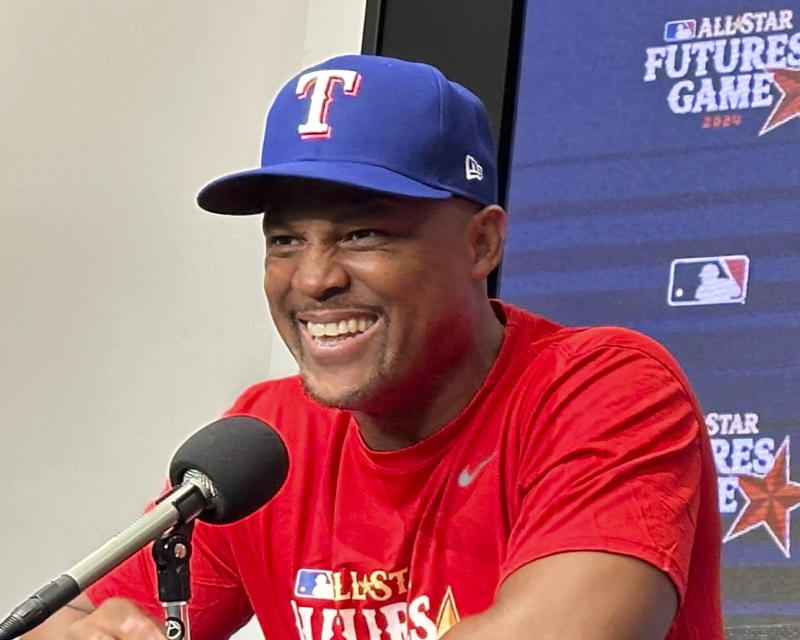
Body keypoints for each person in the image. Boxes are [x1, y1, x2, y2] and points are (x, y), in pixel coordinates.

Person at [26, 55, 722, 640]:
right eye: (285, 240)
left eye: (363, 234)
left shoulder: (601, 389)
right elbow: (56, 621)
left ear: (482, 243)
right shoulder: (269, 441)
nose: (315, 278)